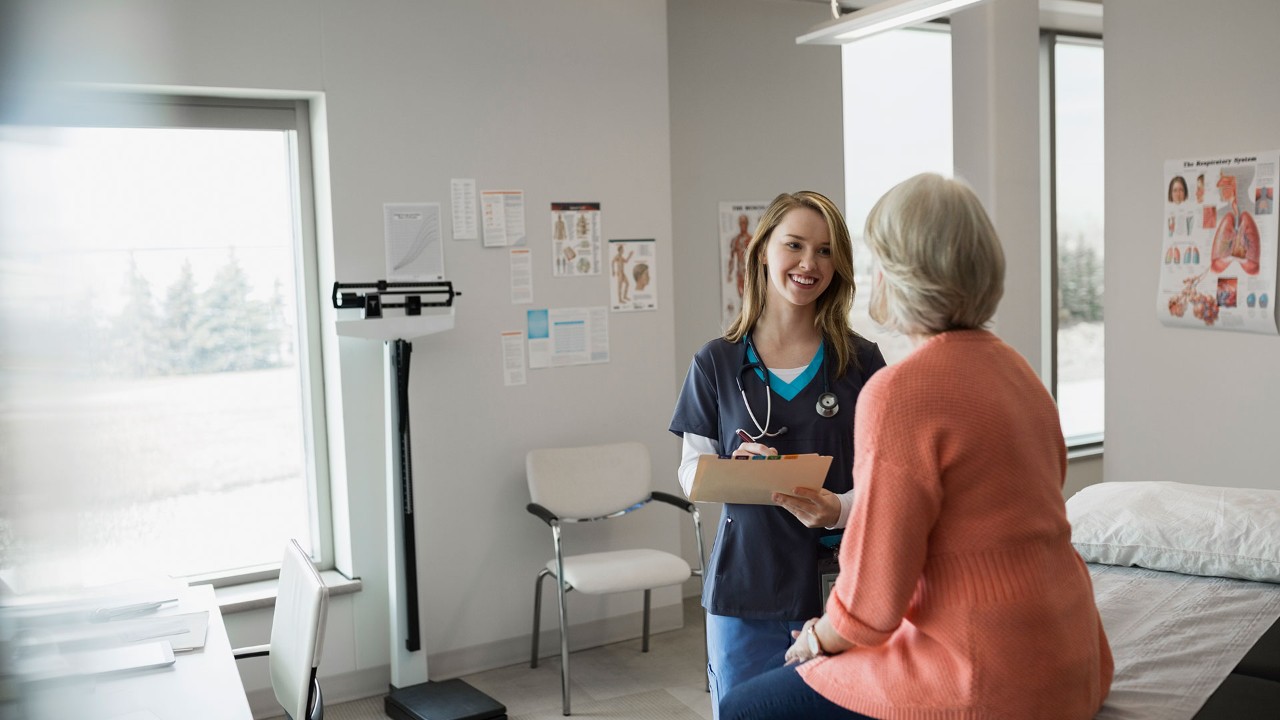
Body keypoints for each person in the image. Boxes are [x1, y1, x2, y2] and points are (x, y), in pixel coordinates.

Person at [721, 173, 1113, 720]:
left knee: (745, 707)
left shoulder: (901, 391)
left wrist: (814, 639)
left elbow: (871, 606)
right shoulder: (1019, 373)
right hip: (1075, 662)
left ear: (899, 275)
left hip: (985, 677)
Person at [670, 191, 886, 718]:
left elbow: (892, 479)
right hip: (746, 585)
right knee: (745, 710)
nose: (809, 263)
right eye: (795, 245)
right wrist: (734, 471)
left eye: (826, 251)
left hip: (841, 591)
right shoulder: (716, 362)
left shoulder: (860, 362)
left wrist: (839, 506)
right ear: (763, 249)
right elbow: (691, 470)